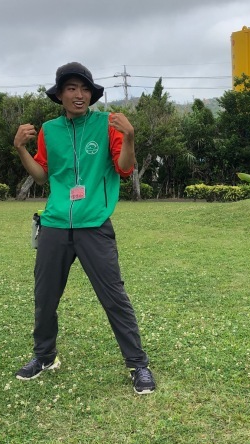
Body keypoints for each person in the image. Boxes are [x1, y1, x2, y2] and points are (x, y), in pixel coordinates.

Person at [13, 62, 155, 394]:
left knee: (114, 297)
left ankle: (138, 365)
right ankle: (44, 357)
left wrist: (130, 136)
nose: (80, 95)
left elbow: (124, 168)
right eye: (72, 89)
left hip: (94, 224)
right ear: (60, 94)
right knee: (45, 297)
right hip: (55, 224)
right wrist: (20, 147)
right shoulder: (49, 130)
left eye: (85, 89)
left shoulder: (107, 125)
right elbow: (41, 175)